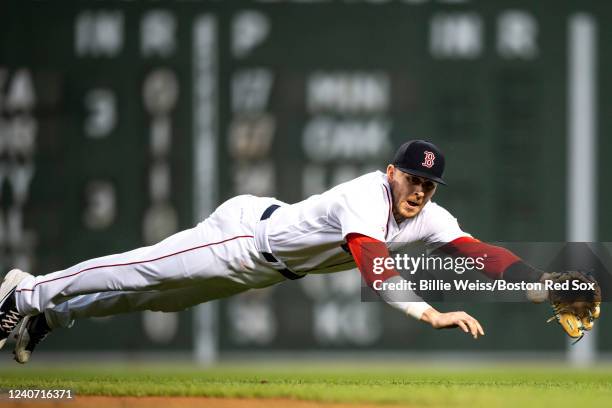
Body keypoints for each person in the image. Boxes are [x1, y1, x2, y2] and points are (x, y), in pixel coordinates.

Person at [0, 140, 544, 364]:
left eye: (429, 184)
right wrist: (430, 312)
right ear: (391, 173)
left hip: (264, 272)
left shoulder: (430, 216)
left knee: (151, 299)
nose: (420, 190)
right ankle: (23, 289)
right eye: (412, 177)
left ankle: (49, 314)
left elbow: (481, 253)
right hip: (243, 236)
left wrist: (546, 285)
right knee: (138, 271)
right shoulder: (364, 196)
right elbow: (374, 267)